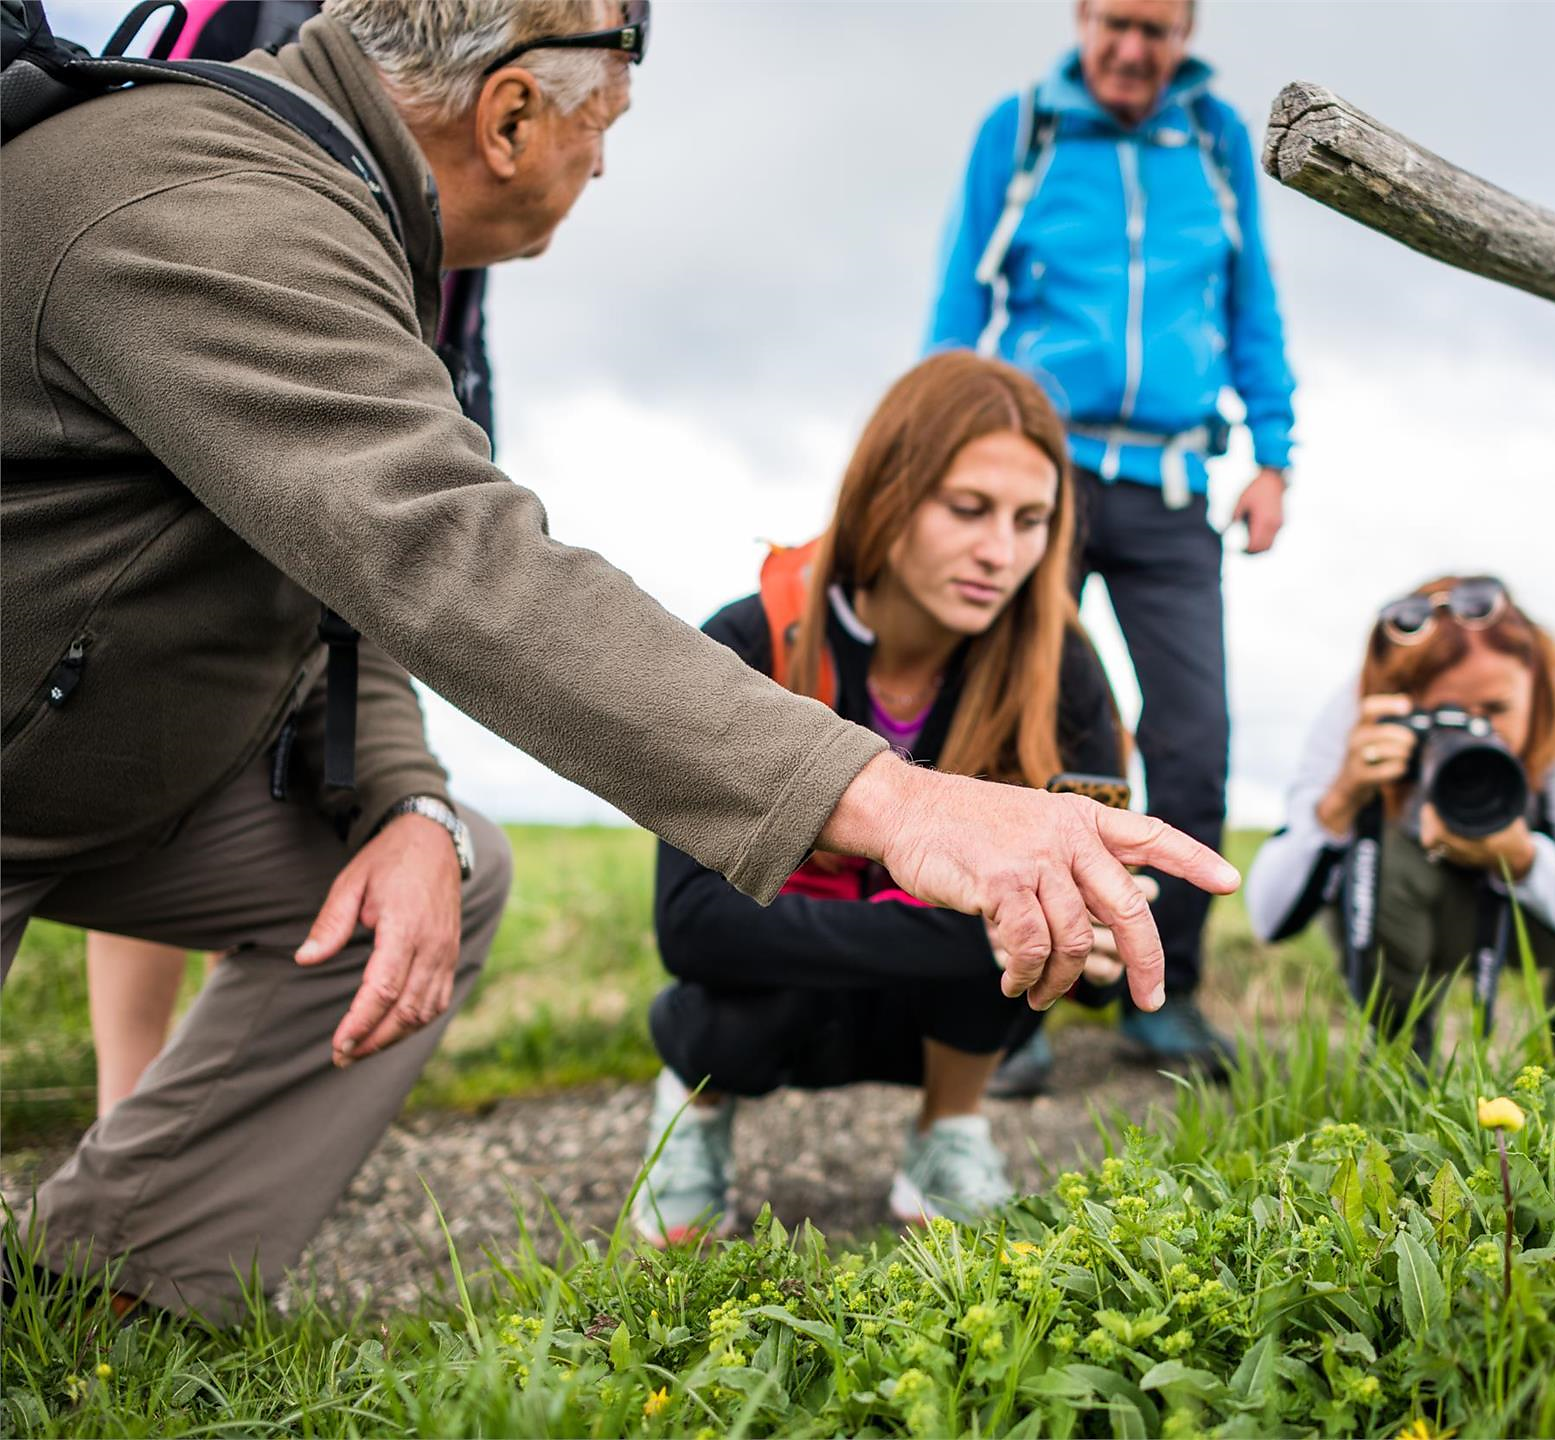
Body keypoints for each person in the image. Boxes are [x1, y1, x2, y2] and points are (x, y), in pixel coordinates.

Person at [2, 0, 1235, 1322]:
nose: (606, 167)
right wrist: (900, 801)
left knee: (451, 861)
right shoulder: (224, 208)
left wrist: (406, 799)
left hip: (102, 767)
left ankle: (103, 1281)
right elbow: (455, 560)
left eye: (1028, 521)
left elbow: (334, 587)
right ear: (513, 116)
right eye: (607, 128)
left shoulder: (345, 217)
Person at [77, 0, 501, 1117]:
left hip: (371, 366)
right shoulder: (270, 31)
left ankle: (172, 1128)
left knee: (317, 769)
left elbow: (452, 286)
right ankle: (129, 1099)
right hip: (180, 402)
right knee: (162, 714)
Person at [635, 353, 1141, 1242]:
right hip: (771, 1003)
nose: (1002, 552)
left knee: (1019, 945)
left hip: (942, 1010)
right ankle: (695, 1114)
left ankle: (951, 1128)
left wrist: (1096, 941)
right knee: (725, 1011)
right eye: (968, 509)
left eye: (1032, 520)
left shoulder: (1062, 669)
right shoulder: (750, 637)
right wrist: (973, 919)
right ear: (886, 492)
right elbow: (691, 926)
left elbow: (1099, 946)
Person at [928, 0, 1298, 1088]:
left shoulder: (1218, 139)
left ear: (1187, 31)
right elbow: (963, 293)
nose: (1136, 51)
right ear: (1083, 16)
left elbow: (1251, 304)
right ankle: (1021, 991)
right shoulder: (1025, 129)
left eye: (1160, 30)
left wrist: (1272, 454)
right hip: (1037, 476)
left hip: (1175, 482)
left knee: (1193, 736)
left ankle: (1163, 990)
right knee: (1025, 723)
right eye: (1118, 24)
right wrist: (939, 444)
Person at [1245, 577, 1555, 1057]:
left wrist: (1524, 860)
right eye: (1451, 714)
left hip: (1541, 916)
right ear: (1404, 700)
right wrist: (1343, 797)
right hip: (1425, 909)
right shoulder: (1360, 708)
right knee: (1371, 833)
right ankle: (1400, 1055)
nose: (1479, 734)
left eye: (1497, 709)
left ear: (1534, 685)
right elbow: (1267, 918)